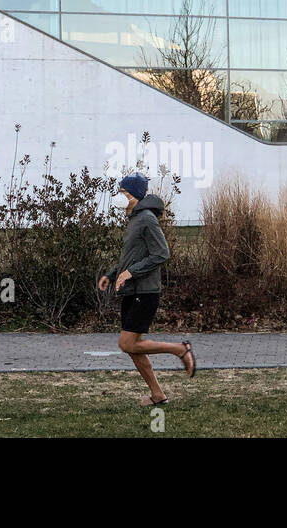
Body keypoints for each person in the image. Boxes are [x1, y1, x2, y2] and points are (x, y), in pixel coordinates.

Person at [97, 172, 196, 407]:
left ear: (133, 195)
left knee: (127, 343)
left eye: (122, 192)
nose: (118, 197)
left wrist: (130, 273)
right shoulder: (134, 220)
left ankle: (180, 349)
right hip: (132, 291)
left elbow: (161, 253)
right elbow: (131, 257)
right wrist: (111, 275)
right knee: (134, 348)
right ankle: (158, 395)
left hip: (146, 291)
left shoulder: (147, 219)